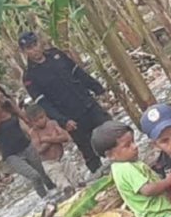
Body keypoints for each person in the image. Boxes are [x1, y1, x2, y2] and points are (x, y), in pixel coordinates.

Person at [20, 31, 111, 174]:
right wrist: (63, 121)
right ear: (25, 52)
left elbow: (79, 74)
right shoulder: (29, 76)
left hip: (88, 103)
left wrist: (99, 90)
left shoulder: (56, 55)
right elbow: (44, 104)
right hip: (71, 117)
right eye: (29, 48)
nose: (35, 49)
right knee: (88, 150)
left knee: (111, 131)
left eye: (35, 44)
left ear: (40, 42)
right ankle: (102, 178)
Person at [0, 83, 56, 197]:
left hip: (26, 145)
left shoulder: (8, 105)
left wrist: (13, 107)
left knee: (43, 174)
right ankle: (46, 199)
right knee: (34, 176)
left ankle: (57, 193)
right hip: (11, 154)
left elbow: (26, 120)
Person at [26, 104, 84, 198]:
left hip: (62, 158)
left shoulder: (53, 124)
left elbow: (66, 137)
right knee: (66, 187)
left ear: (45, 114)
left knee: (79, 180)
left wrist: (48, 139)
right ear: (31, 122)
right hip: (50, 164)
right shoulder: (34, 133)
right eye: (36, 121)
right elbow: (39, 150)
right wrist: (53, 138)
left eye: (42, 117)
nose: (40, 121)